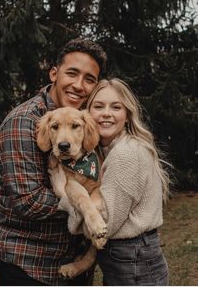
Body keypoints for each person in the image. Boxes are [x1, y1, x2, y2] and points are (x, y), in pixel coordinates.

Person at [0, 38, 107, 286]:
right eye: (72, 73)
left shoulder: (83, 120)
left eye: (89, 79)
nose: (79, 85)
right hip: (30, 263)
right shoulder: (23, 123)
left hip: (71, 260)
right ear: (54, 73)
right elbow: (29, 201)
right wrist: (87, 206)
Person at [52, 78, 171, 286]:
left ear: (126, 116)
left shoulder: (125, 154)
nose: (106, 113)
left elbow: (101, 226)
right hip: (126, 257)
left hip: (134, 261)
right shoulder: (102, 152)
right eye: (98, 106)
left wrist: (63, 194)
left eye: (116, 107)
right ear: (89, 114)